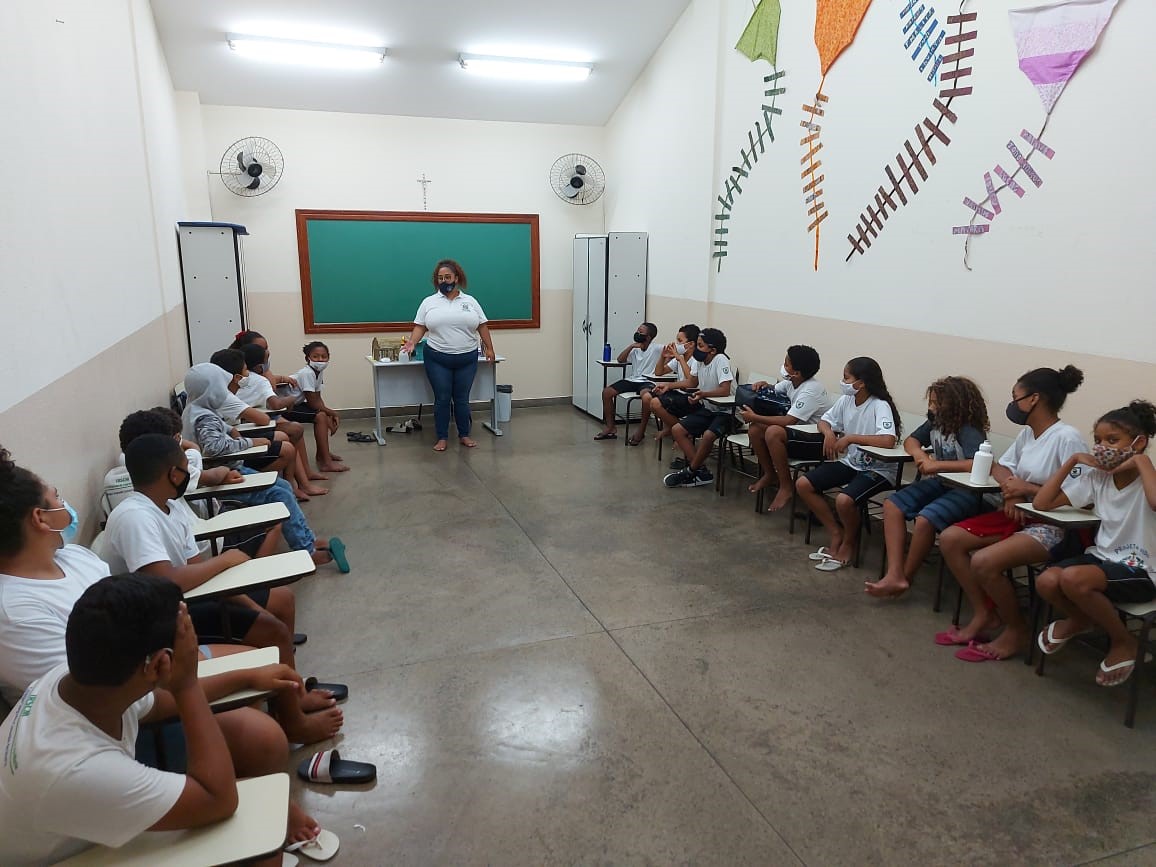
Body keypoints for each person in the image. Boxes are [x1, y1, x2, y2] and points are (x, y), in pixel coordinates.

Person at [0, 445, 343, 748]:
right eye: (57, 497)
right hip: (118, 719)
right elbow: (108, 699)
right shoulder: (14, 612)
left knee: (268, 646)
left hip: (155, 654)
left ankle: (289, 707)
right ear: (40, 519)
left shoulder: (73, 557)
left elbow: (163, 592)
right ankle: (281, 721)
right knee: (263, 736)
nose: (65, 504)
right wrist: (238, 676)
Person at [0, 574, 323, 865]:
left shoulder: (78, 676)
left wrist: (247, 677)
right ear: (158, 666)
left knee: (261, 744)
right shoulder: (76, 770)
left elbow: (156, 704)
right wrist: (186, 683)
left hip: (78, 813)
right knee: (259, 842)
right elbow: (220, 800)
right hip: (68, 852)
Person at [937, 365, 1086, 662]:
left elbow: (1082, 496)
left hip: (1053, 525)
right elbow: (1000, 467)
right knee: (951, 539)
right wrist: (1013, 491)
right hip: (1019, 512)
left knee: (984, 561)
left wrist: (1027, 489)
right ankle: (985, 614)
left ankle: (1017, 629)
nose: (1013, 403)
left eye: (1016, 396)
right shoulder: (1028, 434)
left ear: (1033, 399)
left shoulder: (1067, 438)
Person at [1032, 400, 1156, 686]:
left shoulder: (1148, 479)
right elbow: (1042, 503)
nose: (1102, 447)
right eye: (1098, 441)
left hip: (1141, 569)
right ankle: (1081, 620)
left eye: (1112, 440)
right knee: (1047, 581)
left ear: (1138, 443)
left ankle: (1124, 642)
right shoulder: (1098, 478)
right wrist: (1073, 460)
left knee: (1073, 579)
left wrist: (1142, 461)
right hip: (1101, 558)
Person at [182, 364, 349, 572]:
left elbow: (221, 430)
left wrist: (232, 431)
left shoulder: (197, 409)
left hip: (228, 470)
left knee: (283, 487)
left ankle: (307, 539)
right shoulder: (203, 416)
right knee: (280, 493)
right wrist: (250, 442)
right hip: (222, 479)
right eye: (221, 387)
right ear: (212, 390)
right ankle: (307, 550)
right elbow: (214, 447)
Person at [865, 376, 990, 598]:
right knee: (892, 505)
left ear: (954, 405)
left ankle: (905, 577)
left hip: (968, 491)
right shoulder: (935, 422)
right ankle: (894, 572)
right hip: (943, 483)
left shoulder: (969, 429)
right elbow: (911, 441)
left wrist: (937, 465)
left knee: (925, 519)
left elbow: (976, 463)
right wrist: (920, 455)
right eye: (930, 401)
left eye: (936, 402)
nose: (931, 407)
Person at [796, 357, 902, 571]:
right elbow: (824, 421)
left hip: (878, 469)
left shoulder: (879, 405)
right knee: (803, 484)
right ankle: (836, 532)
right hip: (852, 463)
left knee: (844, 501)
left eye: (846, 378)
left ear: (860, 383)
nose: (842, 382)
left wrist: (851, 438)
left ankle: (849, 543)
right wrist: (828, 434)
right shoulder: (846, 400)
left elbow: (888, 440)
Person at [402, 259, 497, 452]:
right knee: (443, 398)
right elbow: (420, 326)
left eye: (447, 277)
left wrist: (489, 348)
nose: (444, 281)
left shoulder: (470, 301)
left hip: (467, 358)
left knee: (462, 398)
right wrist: (412, 342)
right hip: (437, 358)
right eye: (440, 278)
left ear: (456, 278)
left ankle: (464, 435)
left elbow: (482, 326)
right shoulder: (429, 302)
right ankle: (442, 437)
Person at [210, 349, 325, 500]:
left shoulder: (216, 393)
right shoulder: (227, 398)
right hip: (231, 457)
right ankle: (290, 484)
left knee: (287, 435)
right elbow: (265, 417)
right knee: (289, 443)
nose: (248, 374)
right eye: (245, 370)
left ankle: (296, 483)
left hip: (234, 439)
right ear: (237, 377)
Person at [741, 345, 831, 512]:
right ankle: (770, 474)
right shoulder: (792, 382)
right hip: (797, 435)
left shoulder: (811, 390)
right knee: (755, 430)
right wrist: (765, 385)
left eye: (786, 364)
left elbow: (789, 420)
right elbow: (775, 389)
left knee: (773, 432)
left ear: (796, 372)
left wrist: (754, 416)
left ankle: (786, 486)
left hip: (817, 443)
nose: (783, 366)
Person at [237, 340, 330, 494]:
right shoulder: (260, 380)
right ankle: (296, 483)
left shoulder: (238, 378)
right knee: (293, 432)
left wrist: (279, 378)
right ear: (260, 366)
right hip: (251, 424)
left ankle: (303, 479)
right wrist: (291, 399)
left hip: (254, 419)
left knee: (295, 429)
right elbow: (275, 404)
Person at [660, 328, 735, 488]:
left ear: (712, 350)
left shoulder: (720, 359)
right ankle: (701, 471)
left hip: (729, 413)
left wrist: (703, 394)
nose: (696, 348)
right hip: (709, 409)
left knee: (708, 436)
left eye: (700, 345)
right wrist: (669, 385)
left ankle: (690, 471)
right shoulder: (700, 361)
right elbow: (691, 382)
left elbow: (725, 390)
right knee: (677, 430)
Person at [284, 341, 348, 473]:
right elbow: (313, 403)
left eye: (324, 356)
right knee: (320, 417)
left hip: (296, 404)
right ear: (307, 358)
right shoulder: (307, 373)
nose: (320, 360)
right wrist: (333, 413)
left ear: (329, 357)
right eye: (315, 356)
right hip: (284, 408)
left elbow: (317, 398)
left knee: (323, 415)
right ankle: (325, 462)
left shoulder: (318, 372)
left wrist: (328, 415)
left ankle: (323, 455)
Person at [594, 322, 662, 441]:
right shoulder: (635, 349)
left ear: (648, 337)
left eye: (641, 332)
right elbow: (620, 360)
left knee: (646, 397)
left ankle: (641, 431)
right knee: (607, 392)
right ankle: (610, 428)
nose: (637, 333)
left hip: (647, 381)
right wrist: (631, 347)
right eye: (637, 330)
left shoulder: (656, 348)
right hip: (632, 380)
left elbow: (676, 349)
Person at [649, 324, 701, 446]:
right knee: (651, 397)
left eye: (680, 341)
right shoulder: (679, 358)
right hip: (680, 394)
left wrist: (680, 359)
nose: (676, 344)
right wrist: (663, 357)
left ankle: (681, 432)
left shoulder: (696, 359)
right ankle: (677, 430)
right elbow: (659, 372)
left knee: (656, 403)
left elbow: (691, 382)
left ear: (691, 344)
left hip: (693, 397)